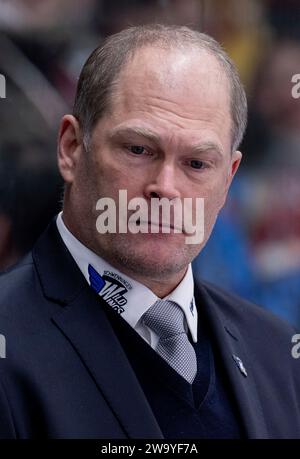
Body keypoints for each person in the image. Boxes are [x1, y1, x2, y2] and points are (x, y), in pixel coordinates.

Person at [0, 24, 299, 439]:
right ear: (71, 148)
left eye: (197, 163)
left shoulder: (278, 354)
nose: (166, 188)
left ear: (228, 178)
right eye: (138, 149)